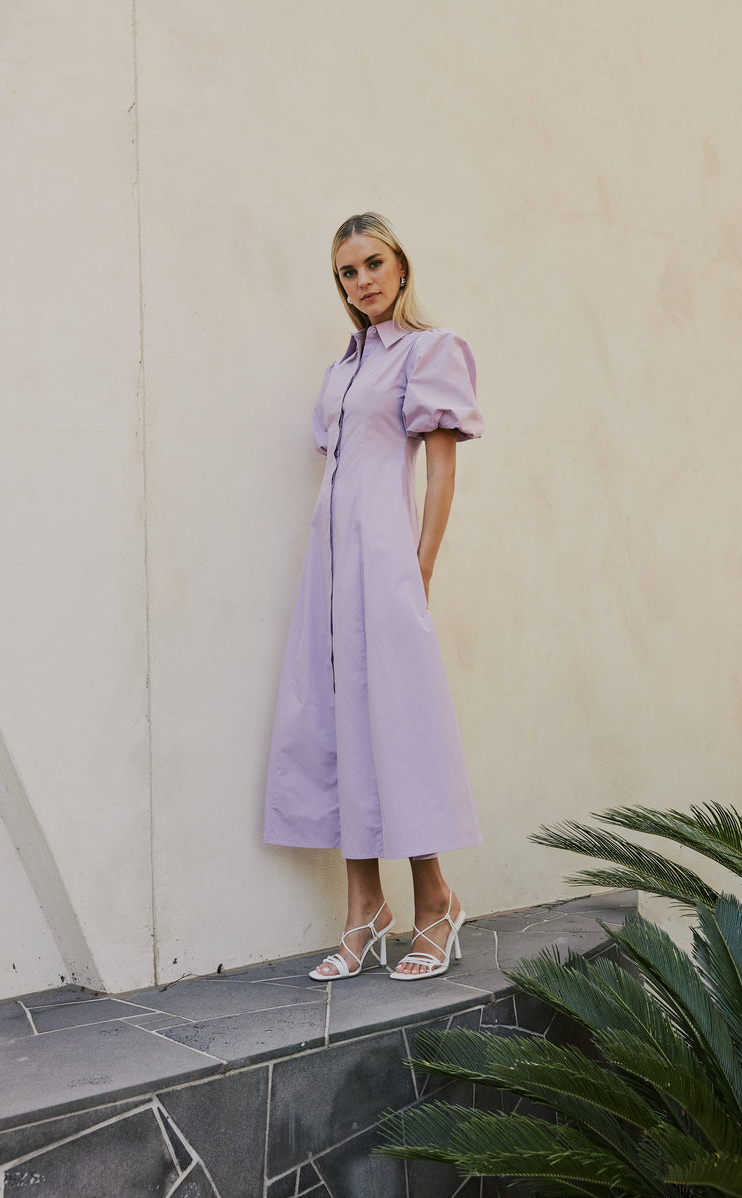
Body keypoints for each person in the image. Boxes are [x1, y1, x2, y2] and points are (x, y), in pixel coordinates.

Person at [263, 212, 483, 980]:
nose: (363, 281)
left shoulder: (429, 352)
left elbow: (441, 471)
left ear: (401, 265)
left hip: (385, 564)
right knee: (332, 722)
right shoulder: (341, 370)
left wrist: (418, 572)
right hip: (327, 568)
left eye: (373, 263)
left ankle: (435, 903)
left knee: (398, 723)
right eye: (348, 272)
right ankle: (364, 906)